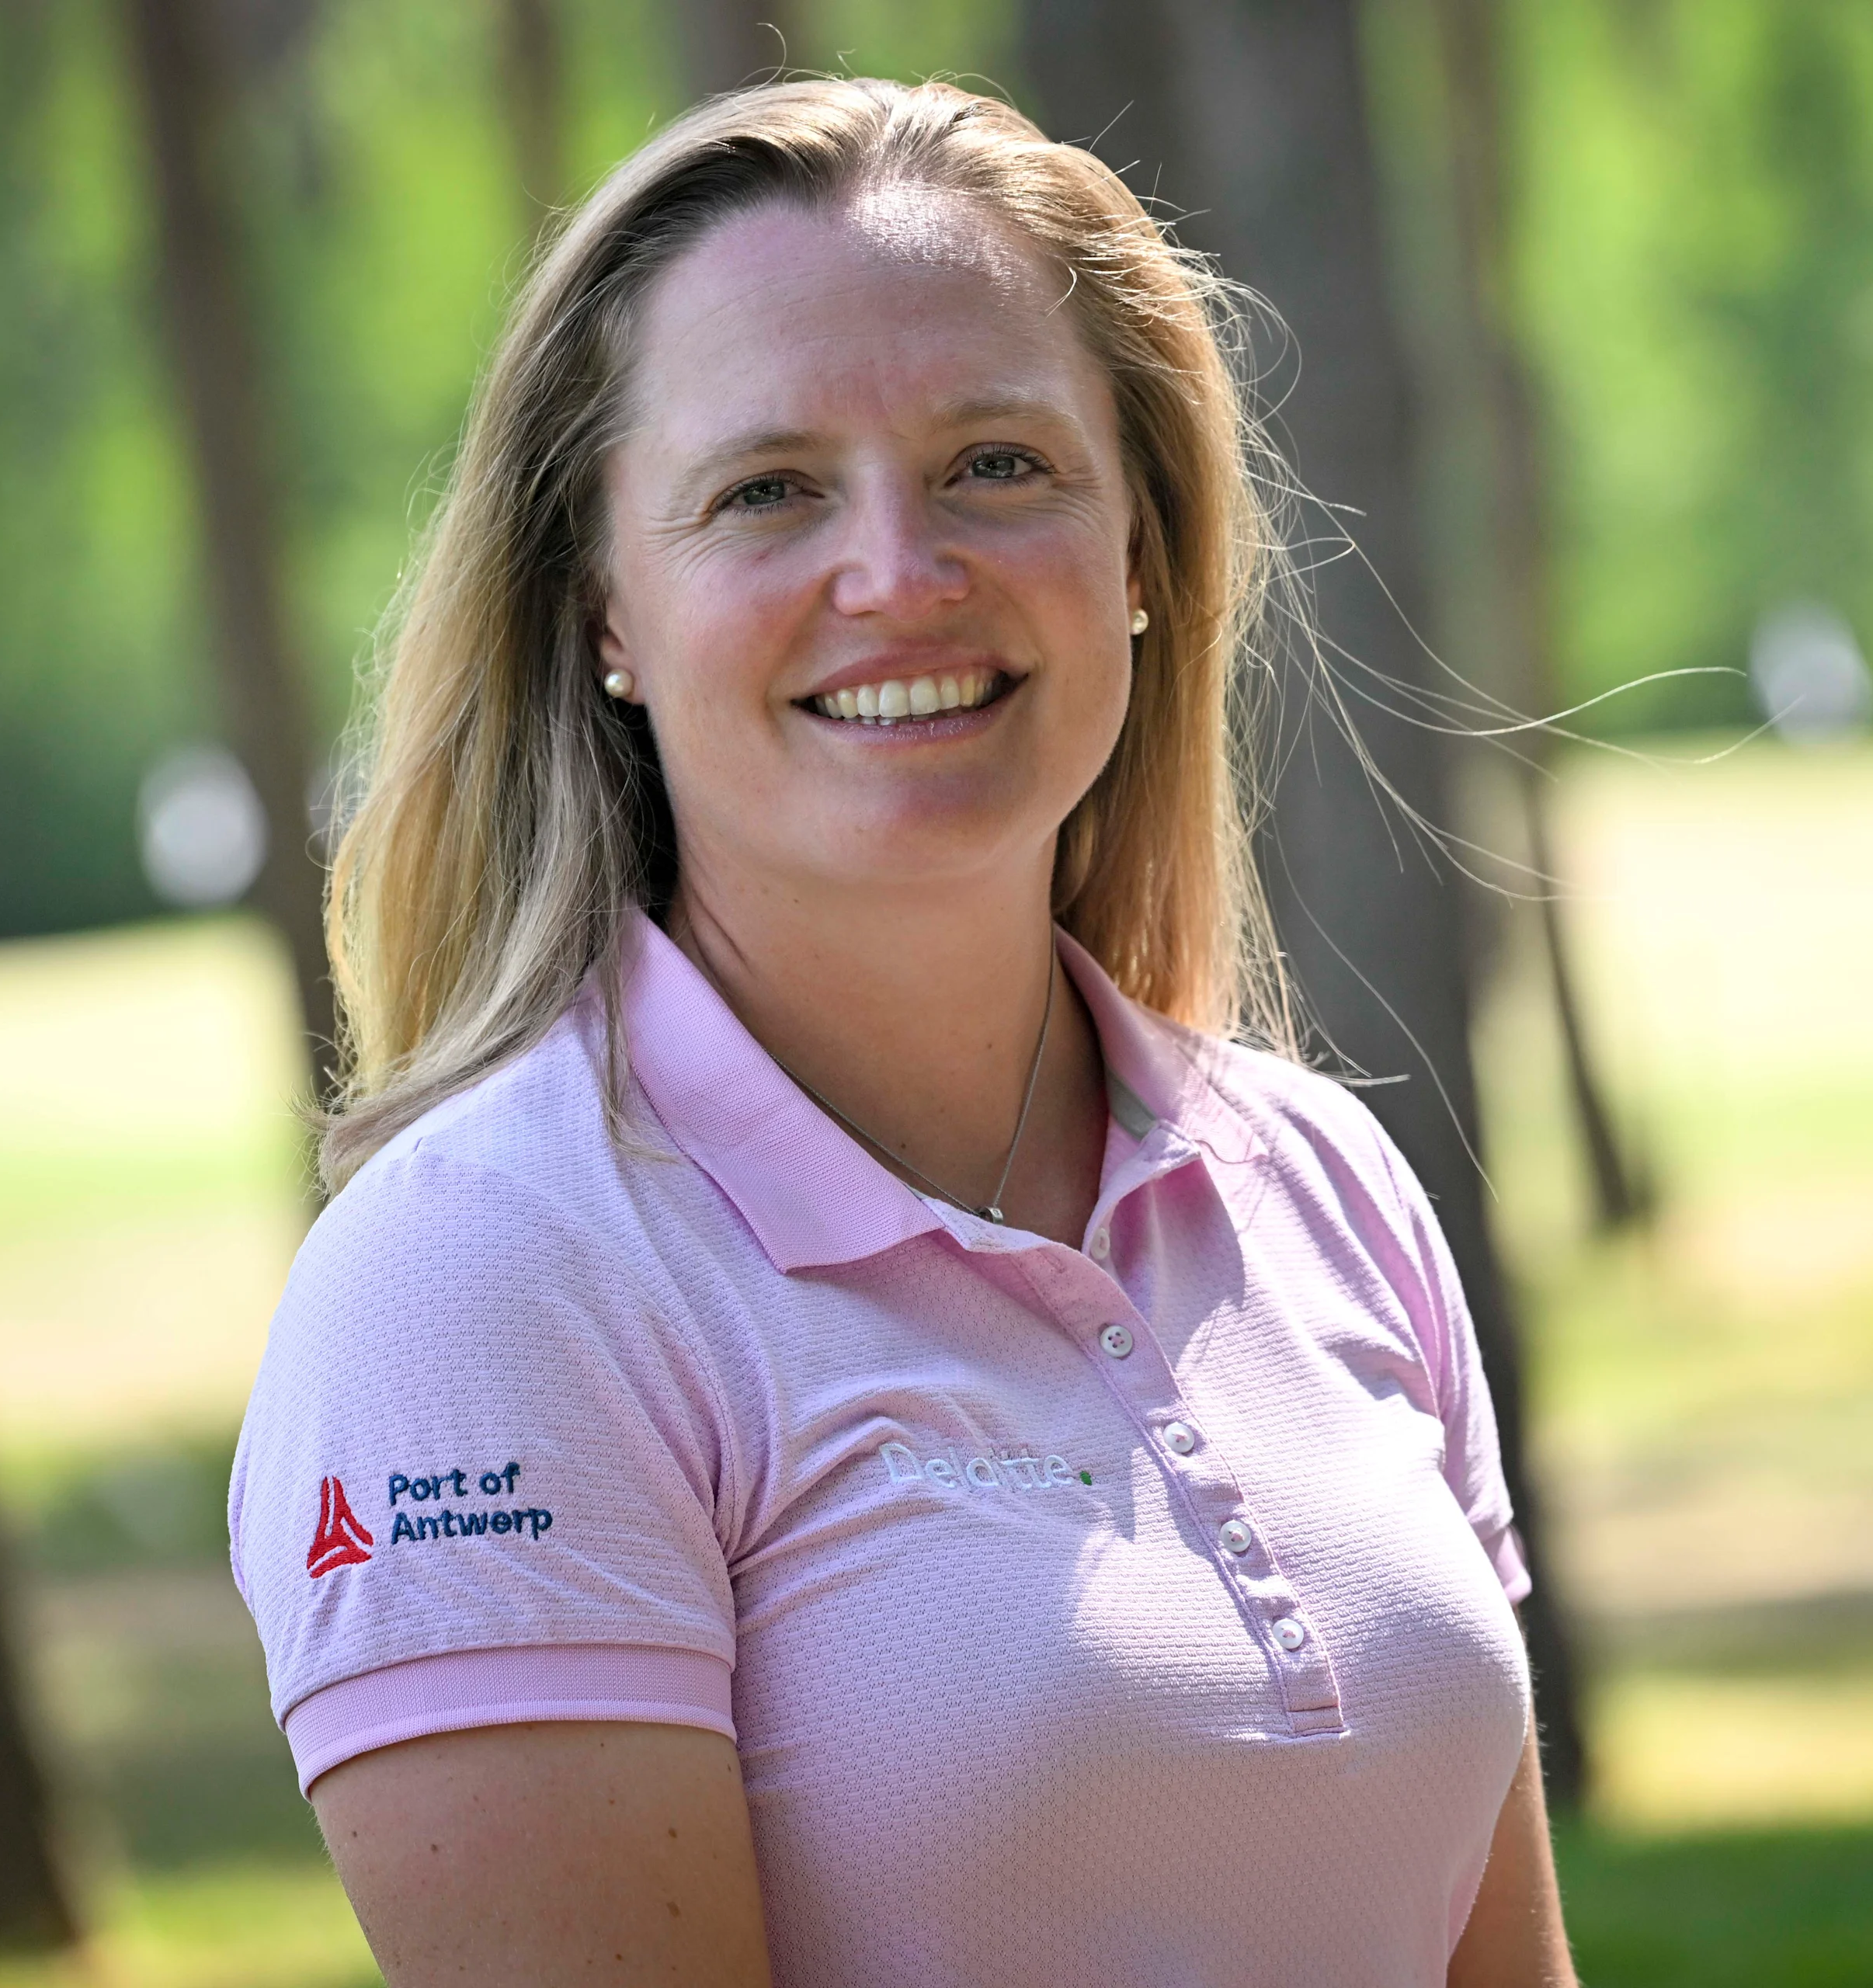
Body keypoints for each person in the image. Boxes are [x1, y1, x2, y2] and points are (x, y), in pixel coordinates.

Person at [227, 76, 1574, 1987]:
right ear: (602, 605)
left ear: (1140, 548)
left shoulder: (1318, 1180)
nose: (898, 572)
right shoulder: (485, 1280)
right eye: (767, 488)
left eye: (997, 465)